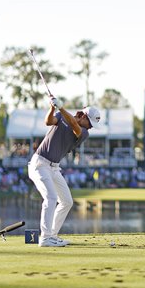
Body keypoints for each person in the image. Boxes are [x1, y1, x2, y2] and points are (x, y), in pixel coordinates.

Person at [28, 96, 100, 247]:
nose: (90, 127)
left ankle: (52, 235)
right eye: (90, 123)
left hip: (54, 168)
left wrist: (60, 107)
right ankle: (46, 238)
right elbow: (48, 122)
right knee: (51, 198)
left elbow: (74, 125)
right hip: (40, 164)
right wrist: (53, 107)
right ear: (83, 115)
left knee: (67, 201)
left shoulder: (84, 133)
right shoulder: (61, 116)